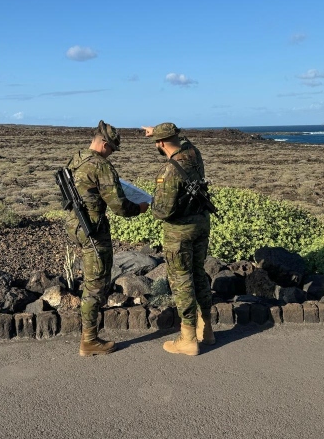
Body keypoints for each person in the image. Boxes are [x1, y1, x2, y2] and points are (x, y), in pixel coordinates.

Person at [66, 120, 149, 356]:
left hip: (75, 225)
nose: (111, 153)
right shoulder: (101, 166)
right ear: (103, 143)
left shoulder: (77, 158)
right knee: (95, 284)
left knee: (91, 279)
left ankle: (89, 336)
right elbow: (120, 206)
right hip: (93, 229)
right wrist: (140, 208)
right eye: (111, 148)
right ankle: (89, 341)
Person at [143, 122, 214, 356]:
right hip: (201, 223)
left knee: (181, 280)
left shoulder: (169, 171)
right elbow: (183, 143)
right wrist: (161, 133)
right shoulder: (194, 154)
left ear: (161, 143)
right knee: (198, 272)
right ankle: (207, 329)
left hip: (179, 232)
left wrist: (149, 205)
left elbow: (162, 211)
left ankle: (188, 338)